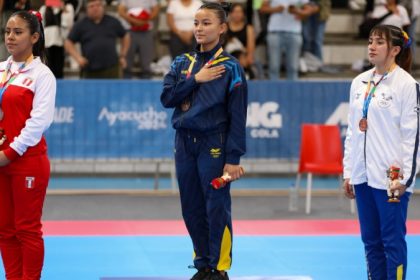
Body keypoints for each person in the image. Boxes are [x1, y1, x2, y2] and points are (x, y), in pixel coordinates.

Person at [160, 2, 247, 279]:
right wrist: (196, 79)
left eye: (206, 23)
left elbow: (238, 116)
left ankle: (219, 268)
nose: (199, 28)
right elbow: (167, 99)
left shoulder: (231, 68)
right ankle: (203, 264)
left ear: (222, 28)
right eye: (196, 23)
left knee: (215, 206)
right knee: (191, 207)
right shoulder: (181, 62)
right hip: (184, 142)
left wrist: (233, 158)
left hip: (214, 143)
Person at [343, 25, 419, 280]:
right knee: (371, 243)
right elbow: (353, 131)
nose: (371, 47)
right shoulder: (359, 82)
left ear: (395, 50)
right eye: (370, 41)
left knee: (392, 243)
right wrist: (349, 171)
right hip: (363, 175)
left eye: (379, 42)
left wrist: (405, 178)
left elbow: (413, 138)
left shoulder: (407, 85)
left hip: (391, 179)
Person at [0, 10, 56, 280]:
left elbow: (39, 122)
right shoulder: (0, 69)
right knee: (4, 230)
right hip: (1, 160)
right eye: (7, 31)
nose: (10, 37)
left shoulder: (42, 75)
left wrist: (10, 153)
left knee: (26, 230)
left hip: (26, 161)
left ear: (34, 37)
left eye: (17, 32)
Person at [64, 0, 130, 79]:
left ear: (103, 7)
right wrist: (78, 58)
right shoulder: (81, 24)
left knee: (112, 91)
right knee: (89, 91)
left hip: (111, 69)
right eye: (92, 6)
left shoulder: (113, 22)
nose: (95, 8)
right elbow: (68, 42)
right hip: (89, 69)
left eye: (98, 5)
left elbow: (126, 36)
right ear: (87, 9)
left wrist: (123, 55)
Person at [259, 0, 312, 80]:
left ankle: (292, 91)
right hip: (275, 32)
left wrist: (297, 11)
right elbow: (262, 8)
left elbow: (309, 10)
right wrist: (276, 9)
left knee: (293, 67)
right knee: (273, 66)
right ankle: (274, 90)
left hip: (294, 32)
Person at [118, 0, 160, 78]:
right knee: (127, 64)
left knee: (146, 65)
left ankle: (146, 88)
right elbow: (121, 11)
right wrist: (133, 20)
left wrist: (145, 20)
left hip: (146, 31)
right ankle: (126, 87)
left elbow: (156, 9)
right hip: (129, 31)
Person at [39, 0, 74, 78]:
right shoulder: (44, 8)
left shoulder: (68, 7)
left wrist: (63, 9)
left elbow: (69, 24)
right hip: (47, 41)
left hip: (60, 41)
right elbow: (41, 25)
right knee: (48, 67)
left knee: (58, 67)